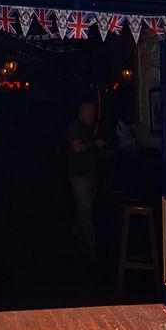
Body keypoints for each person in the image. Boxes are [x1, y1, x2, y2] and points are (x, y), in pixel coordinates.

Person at [66, 101, 107, 267]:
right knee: (86, 211)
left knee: (82, 211)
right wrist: (94, 145)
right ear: (83, 112)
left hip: (90, 174)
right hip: (79, 175)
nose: (94, 118)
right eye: (91, 115)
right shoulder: (73, 128)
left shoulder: (88, 129)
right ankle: (92, 253)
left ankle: (76, 248)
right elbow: (78, 149)